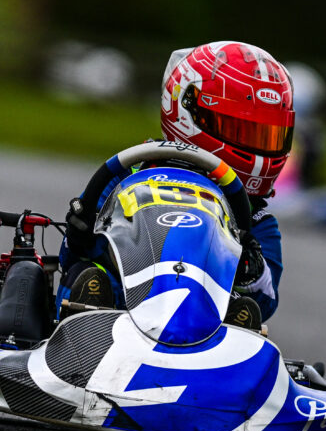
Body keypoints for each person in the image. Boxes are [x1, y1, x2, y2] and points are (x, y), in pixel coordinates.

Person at [58, 41, 295, 330]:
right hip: (119, 314)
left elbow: (267, 300)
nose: (258, 149)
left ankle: (226, 340)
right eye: (242, 130)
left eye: (267, 136)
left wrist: (250, 267)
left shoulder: (255, 219)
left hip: (206, 325)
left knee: (244, 310)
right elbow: (70, 255)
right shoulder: (129, 173)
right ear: (188, 109)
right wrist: (81, 236)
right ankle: (83, 331)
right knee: (90, 276)